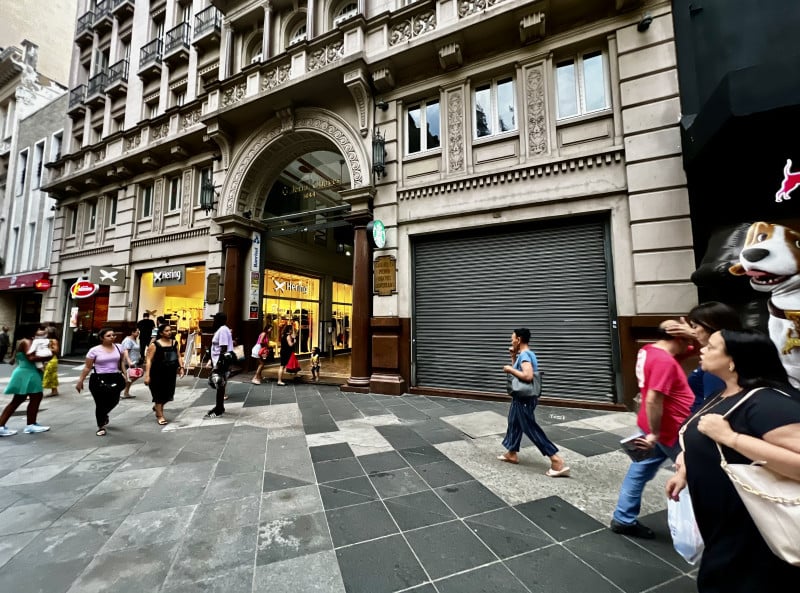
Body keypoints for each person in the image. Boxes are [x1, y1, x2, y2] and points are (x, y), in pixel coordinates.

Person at [666, 329, 800, 592]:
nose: (702, 349)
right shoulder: (723, 393)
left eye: (711, 347)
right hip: (720, 520)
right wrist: (685, 468)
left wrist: (732, 438)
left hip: (754, 526)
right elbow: (705, 441)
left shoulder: (767, 403)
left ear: (733, 360)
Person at [610, 321, 694, 538]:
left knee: (639, 470)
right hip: (668, 430)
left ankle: (623, 518)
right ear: (678, 338)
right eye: (686, 338)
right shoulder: (664, 361)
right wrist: (654, 434)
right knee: (694, 472)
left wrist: (691, 334)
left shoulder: (649, 350)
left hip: (651, 425)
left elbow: (697, 349)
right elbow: (653, 399)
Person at [497, 328, 569, 476]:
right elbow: (520, 373)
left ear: (519, 340)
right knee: (514, 422)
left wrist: (509, 369)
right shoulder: (526, 354)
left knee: (530, 428)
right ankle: (511, 453)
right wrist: (513, 357)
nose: (511, 341)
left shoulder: (525, 355)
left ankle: (556, 461)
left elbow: (527, 376)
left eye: (512, 338)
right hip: (521, 398)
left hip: (524, 399)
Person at [665, 301, 742, 413]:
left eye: (695, 326)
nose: (692, 331)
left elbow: (716, 407)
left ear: (711, 326)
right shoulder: (719, 357)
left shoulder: (717, 366)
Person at [75, 327, 127, 437]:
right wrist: (80, 380)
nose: (112, 337)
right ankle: (101, 425)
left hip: (115, 376)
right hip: (98, 378)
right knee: (100, 403)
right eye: (108, 335)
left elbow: (121, 362)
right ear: (101, 338)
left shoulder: (119, 347)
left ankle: (104, 414)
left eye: (113, 335)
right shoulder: (94, 350)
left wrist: (125, 374)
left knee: (114, 401)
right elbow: (87, 367)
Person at [0, 330, 51, 436]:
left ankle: (30, 424)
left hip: (26, 372)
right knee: (35, 397)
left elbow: (13, 360)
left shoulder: (22, 341)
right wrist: (49, 356)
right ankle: (30, 425)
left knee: (20, 399)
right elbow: (31, 357)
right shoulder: (27, 341)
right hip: (28, 373)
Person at [144, 323, 184, 425]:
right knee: (159, 395)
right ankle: (160, 415)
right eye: (166, 331)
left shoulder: (174, 343)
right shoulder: (155, 344)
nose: (169, 332)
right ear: (161, 333)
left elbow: (179, 356)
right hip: (157, 373)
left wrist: (181, 367)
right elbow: (149, 360)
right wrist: (147, 375)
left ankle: (157, 407)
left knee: (169, 394)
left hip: (170, 373)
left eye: (170, 330)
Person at [205, 312, 233, 418]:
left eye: (215, 319)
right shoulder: (222, 329)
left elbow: (223, 347)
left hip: (220, 362)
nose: (214, 321)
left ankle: (219, 408)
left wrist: (218, 364)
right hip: (218, 361)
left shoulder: (223, 330)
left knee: (219, 384)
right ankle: (219, 407)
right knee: (220, 384)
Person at [121, 328, 142, 398]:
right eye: (137, 332)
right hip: (130, 363)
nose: (138, 333)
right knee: (131, 376)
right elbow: (126, 351)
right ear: (132, 332)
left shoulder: (134, 340)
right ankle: (123, 391)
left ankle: (126, 392)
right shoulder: (128, 340)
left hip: (134, 362)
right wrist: (129, 362)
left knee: (133, 376)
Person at [42, 326, 60, 397]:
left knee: (45, 375)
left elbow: (56, 350)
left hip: (51, 359)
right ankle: (54, 391)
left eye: (46, 331)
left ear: (50, 332)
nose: (44, 332)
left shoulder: (53, 340)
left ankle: (37, 392)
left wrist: (46, 348)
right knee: (52, 376)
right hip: (47, 359)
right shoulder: (46, 340)